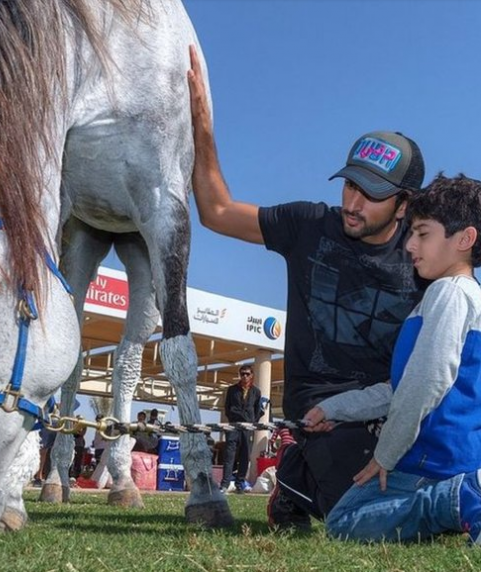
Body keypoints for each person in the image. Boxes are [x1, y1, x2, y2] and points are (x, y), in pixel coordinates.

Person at [187, 46, 427, 529]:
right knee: (366, 513)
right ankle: (294, 478)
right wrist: (202, 128)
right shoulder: (308, 224)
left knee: (425, 479)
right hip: (318, 402)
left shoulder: (423, 253)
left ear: (403, 205)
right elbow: (216, 211)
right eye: (350, 185)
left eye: (373, 194)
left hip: (387, 399)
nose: (353, 202)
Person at [303, 174, 481, 544]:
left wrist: (385, 455)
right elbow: (398, 388)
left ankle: (459, 501)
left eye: (422, 234)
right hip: (448, 460)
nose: (410, 245)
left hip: (432, 461)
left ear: (464, 239)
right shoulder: (461, 297)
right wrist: (335, 408)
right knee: (349, 514)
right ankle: (455, 508)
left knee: (342, 524)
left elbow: (426, 383)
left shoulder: (448, 293)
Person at [221, 364, 262, 493]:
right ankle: (224, 484)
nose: (244, 376)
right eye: (242, 373)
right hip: (233, 426)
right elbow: (229, 409)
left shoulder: (256, 392)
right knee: (229, 455)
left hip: (248, 428)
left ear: (252, 375)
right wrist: (240, 417)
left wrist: (252, 422)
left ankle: (240, 484)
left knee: (245, 455)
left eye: (247, 373)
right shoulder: (232, 389)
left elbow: (257, 410)